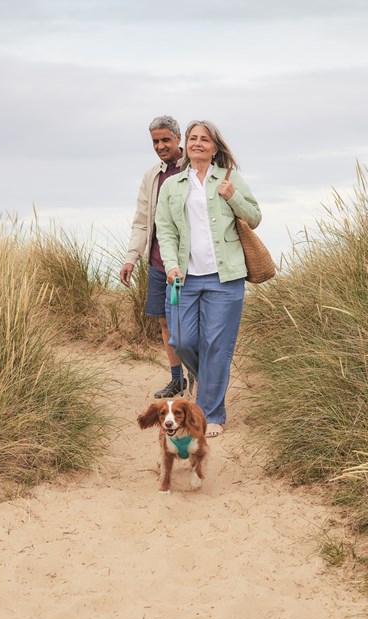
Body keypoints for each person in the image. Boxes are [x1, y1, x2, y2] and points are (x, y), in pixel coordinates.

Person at [154, 120, 262, 437]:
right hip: (184, 280)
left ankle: (211, 413)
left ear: (215, 147)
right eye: (192, 138)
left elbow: (254, 217)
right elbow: (166, 230)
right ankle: (206, 377)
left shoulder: (230, 179)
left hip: (225, 278)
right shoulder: (172, 185)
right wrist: (171, 265)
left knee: (217, 347)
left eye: (204, 139)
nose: (197, 143)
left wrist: (233, 197)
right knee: (182, 339)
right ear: (185, 144)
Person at [120, 115, 187, 399]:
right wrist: (131, 258)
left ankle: (197, 374)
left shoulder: (194, 167)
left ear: (178, 138)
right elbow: (141, 221)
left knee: (190, 321)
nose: (160, 146)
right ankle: (177, 379)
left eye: (165, 140)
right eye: (155, 142)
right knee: (164, 321)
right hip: (158, 262)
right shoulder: (152, 176)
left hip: (188, 262)